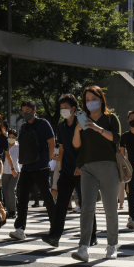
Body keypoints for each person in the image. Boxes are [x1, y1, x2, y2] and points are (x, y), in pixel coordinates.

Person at [71, 86, 120, 262]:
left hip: (108, 166)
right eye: (87, 99)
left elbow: (117, 138)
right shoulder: (82, 121)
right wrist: (78, 129)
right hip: (87, 168)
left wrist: (98, 128)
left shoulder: (110, 118)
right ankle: (83, 247)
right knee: (86, 208)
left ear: (101, 99)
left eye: (93, 98)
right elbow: (76, 145)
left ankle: (112, 245)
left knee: (110, 208)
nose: (90, 102)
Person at [41, 94, 97, 248]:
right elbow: (62, 147)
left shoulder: (82, 122)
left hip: (82, 170)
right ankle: (55, 235)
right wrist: (59, 165)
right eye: (61, 108)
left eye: (66, 108)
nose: (63, 110)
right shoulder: (60, 126)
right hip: (66, 171)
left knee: (86, 204)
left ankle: (92, 236)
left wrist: (81, 164)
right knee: (60, 204)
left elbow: (88, 145)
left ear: (73, 109)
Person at [9, 100, 55, 241]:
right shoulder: (23, 127)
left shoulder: (43, 124)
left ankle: (55, 226)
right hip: (27, 167)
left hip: (41, 167)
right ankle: (20, 228)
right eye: (23, 110)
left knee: (47, 197)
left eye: (28, 110)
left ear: (34, 110)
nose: (25, 113)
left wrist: (48, 159)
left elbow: (52, 142)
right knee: (22, 197)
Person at [2, 129, 20, 219]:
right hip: (4, 171)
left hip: (15, 172)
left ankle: (13, 211)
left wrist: (19, 170)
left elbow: (20, 159)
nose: (11, 139)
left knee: (11, 190)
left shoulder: (18, 147)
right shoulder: (4, 146)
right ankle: (9, 211)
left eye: (13, 137)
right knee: (5, 191)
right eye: (9, 137)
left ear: (16, 138)